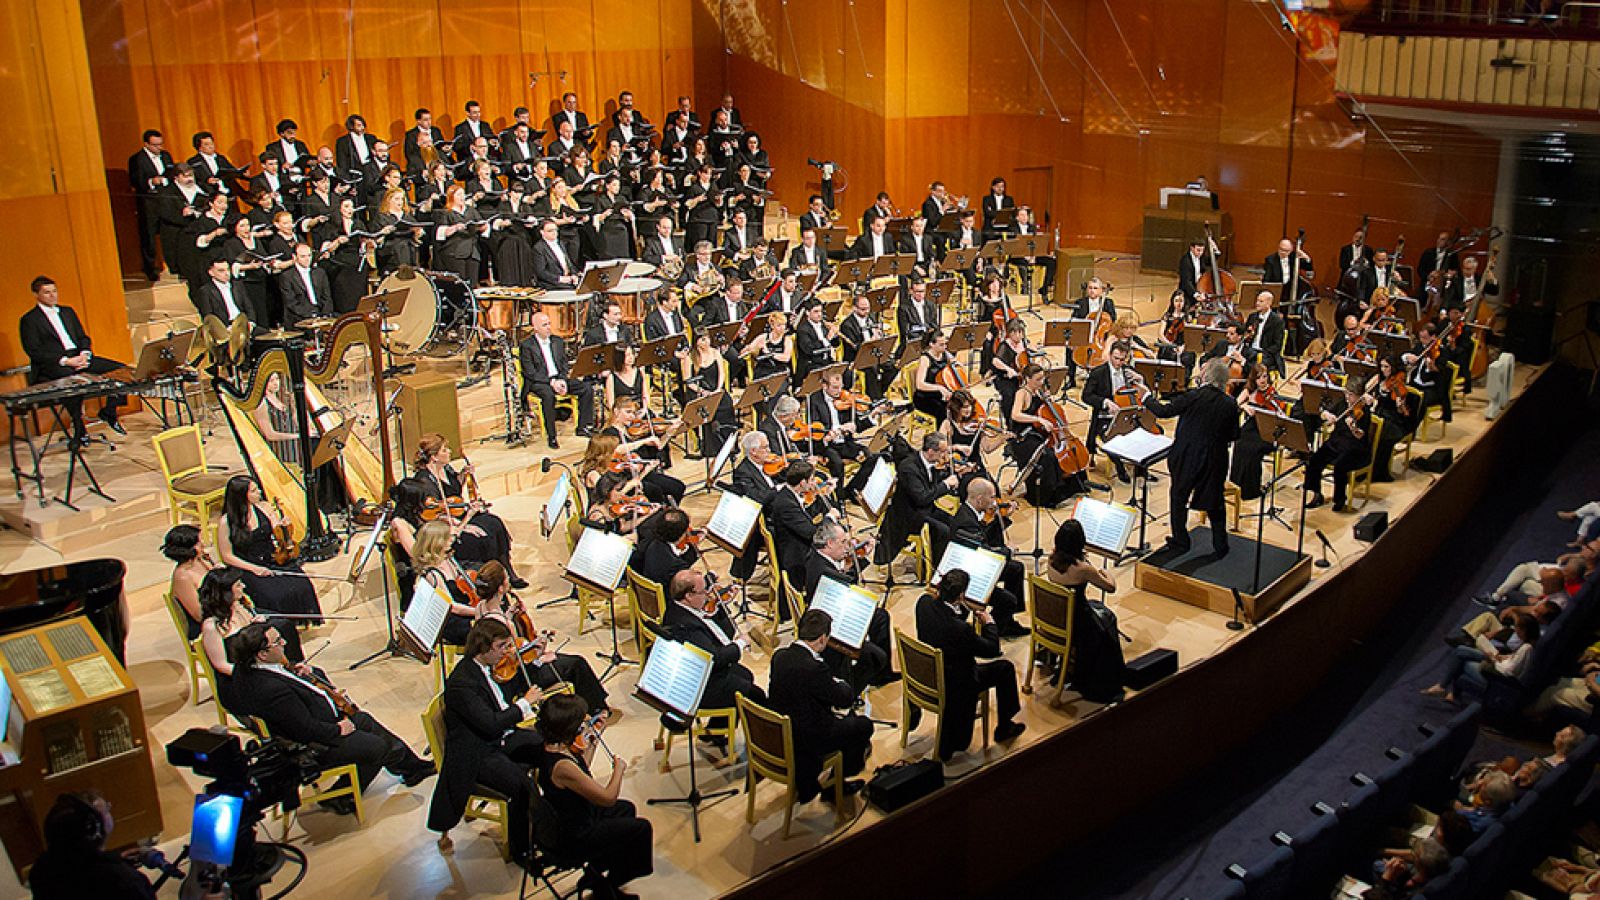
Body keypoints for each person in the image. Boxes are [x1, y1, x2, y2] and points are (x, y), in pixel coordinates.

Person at [229, 623, 434, 804]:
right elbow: (304, 729)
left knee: (364, 720)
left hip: (310, 724)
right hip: (309, 746)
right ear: (262, 654)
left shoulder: (246, 668)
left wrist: (305, 673)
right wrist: (338, 729)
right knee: (376, 747)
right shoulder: (271, 690)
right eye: (277, 642)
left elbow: (291, 698)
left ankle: (412, 768)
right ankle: (342, 798)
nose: (284, 643)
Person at [427, 618, 549, 869]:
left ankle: (553, 820)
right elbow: (490, 723)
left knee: (550, 749)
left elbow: (508, 691)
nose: (508, 651)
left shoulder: (486, 668)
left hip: (500, 737)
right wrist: (524, 704)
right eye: (502, 646)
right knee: (521, 786)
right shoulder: (462, 683)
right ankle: (522, 851)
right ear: (484, 648)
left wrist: (534, 661)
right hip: (478, 752)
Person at [536, 694, 653, 898]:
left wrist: (595, 736)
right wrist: (618, 771)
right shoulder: (562, 766)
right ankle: (610, 881)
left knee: (626, 809)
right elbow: (607, 798)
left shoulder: (553, 748)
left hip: (574, 815)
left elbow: (582, 770)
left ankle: (597, 871)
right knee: (641, 829)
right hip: (574, 836)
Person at [472, 561, 612, 717]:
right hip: (519, 679)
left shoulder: (480, 607)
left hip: (503, 673)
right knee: (577, 664)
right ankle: (597, 709)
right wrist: (540, 658)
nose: (509, 581)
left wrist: (510, 614)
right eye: (506, 579)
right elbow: (515, 659)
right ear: (501, 588)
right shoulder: (505, 625)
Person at [914, 571, 1025, 761]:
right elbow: (990, 649)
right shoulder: (960, 630)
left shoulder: (923, 603)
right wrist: (989, 624)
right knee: (1005, 668)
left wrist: (964, 607)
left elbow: (948, 616)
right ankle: (1005, 727)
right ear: (960, 595)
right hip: (957, 681)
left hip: (929, 671)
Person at [767, 608, 874, 802]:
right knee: (863, 726)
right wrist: (840, 682)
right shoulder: (814, 669)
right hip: (808, 738)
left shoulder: (780, 656)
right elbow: (843, 698)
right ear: (823, 638)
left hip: (781, 732)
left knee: (847, 720)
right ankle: (835, 785)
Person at [1142, 358, 1240, 557]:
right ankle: (1221, 545)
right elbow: (1234, 435)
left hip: (1188, 457)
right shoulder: (1230, 403)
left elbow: (1164, 411)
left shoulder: (1193, 396)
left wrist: (1146, 397)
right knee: (1215, 502)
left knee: (1179, 497)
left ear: (1206, 376)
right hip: (1215, 460)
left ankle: (1181, 540)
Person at [662, 570, 765, 753]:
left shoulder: (678, 609)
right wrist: (739, 644)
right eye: (703, 592)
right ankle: (766, 743)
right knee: (755, 695)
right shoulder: (686, 625)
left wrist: (719, 609)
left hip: (702, 673)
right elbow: (715, 658)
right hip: (699, 685)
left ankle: (717, 730)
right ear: (689, 595)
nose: (708, 595)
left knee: (745, 675)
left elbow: (719, 635)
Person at [20, 276, 129, 445]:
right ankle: (79, 429)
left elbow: (82, 337)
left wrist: (85, 354)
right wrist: (66, 361)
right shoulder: (29, 320)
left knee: (121, 371)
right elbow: (34, 351)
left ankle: (109, 411)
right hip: (55, 363)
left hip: (78, 356)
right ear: (36, 295)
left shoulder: (67, 312)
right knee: (72, 384)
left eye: (54, 291)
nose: (52, 296)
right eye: (47, 293)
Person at [412, 433, 524, 586]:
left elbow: (454, 490)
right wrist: (465, 524)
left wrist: (464, 475)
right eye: (444, 450)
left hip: (459, 512)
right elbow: (435, 514)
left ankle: (507, 570)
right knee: (481, 536)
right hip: (447, 526)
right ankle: (490, 578)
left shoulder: (446, 469)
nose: (449, 452)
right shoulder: (425, 480)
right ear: (434, 457)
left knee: (494, 522)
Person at [197, 566, 303, 715]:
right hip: (239, 680)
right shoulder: (211, 626)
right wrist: (261, 673)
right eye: (238, 585)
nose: (244, 586)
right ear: (226, 592)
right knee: (285, 694)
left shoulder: (239, 607)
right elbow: (221, 665)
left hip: (258, 668)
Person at [801, 519, 892, 690]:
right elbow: (848, 582)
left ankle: (883, 673)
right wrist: (862, 560)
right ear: (829, 543)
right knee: (876, 654)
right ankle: (855, 687)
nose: (847, 546)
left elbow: (841, 571)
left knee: (880, 617)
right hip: (835, 621)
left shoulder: (816, 555)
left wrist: (853, 559)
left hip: (826, 607)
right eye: (843, 542)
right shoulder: (825, 571)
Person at [214, 476, 323, 619]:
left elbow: (276, 532)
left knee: (301, 584)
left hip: (271, 558)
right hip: (246, 566)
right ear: (242, 495)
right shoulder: (226, 522)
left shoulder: (263, 508)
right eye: (253, 491)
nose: (259, 492)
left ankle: (295, 622)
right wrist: (255, 569)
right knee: (273, 595)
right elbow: (227, 556)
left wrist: (284, 525)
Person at [28, 791, 161, 900]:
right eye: (106, 811)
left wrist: (114, 858)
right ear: (94, 831)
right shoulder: (126, 881)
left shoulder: (41, 869)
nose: (110, 807)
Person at [949, 478, 1028, 637]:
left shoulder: (971, 512)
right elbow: (984, 551)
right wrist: (1007, 551)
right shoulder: (966, 522)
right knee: (1008, 600)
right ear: (979, 499)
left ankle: (1008, 621)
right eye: (992, 497)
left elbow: (983, 536)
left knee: (1016, 568)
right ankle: (994, 629)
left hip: (977, 562)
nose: (995, 501)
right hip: (972, 574)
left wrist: (1004, 519)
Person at [879, 432, 959, 573]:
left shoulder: (928, 462)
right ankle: (937, 570)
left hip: (925, 509)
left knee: (954, 521)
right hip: (909, 515)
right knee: (943, 531)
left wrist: (949, 477)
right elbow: (922, 497)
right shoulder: (909, 468)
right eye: (942, 452)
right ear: (930, 451)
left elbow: (930, 486)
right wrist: (946, 484)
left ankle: (945, 559)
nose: (945, 456)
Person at [520, 311, 596, 448]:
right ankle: (552, 436)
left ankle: (584, 426)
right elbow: (530, 373)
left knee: (586, 388)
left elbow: (564, 365)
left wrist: (561, 380)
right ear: (535, 328)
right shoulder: (527, 346)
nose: (548, 327)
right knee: (548, 396)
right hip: (540, 382)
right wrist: (551, 382)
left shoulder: (557, 341)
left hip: (558, 378)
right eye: (544, 325)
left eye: (549, 324)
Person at [1422, 616, 1539, 704]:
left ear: (1523, 630)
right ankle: (1448, 691)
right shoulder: (1528, 646)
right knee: (1461, 650)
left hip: (1496, 678)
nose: (1515, 629)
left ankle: (1446, 689)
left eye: (1517, 627)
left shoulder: (1526, 649)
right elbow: (1515, 661)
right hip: (1498, 666)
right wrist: (1503, 657)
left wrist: (1493, 660)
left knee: (1462, 660)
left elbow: (1509, 672)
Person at [410, 519, 484, 647]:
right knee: (491, 631)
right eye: (448, 537)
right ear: (436, 542)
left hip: (465, 609)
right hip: (453, 620)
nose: (452, 539)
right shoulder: (432, 575)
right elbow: (452, 606)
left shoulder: (447, 558)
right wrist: (479, 611)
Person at [1305, 381, 1374, 513]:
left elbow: (1360, 436)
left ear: (1359, 396)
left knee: (1340, 466)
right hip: (1336, 443)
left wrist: (1353, 429)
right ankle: (1316, 494)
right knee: (1314, 460)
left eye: (1351, 395)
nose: (1347, 397)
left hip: (1355, 448)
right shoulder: (1342, 403)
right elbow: (1324, 412)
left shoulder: (1364, 411)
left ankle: (1340, 499)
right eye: (1346, 393)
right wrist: (1327, 415)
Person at [163, 523, 212, 640]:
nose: (203, 545)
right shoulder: (182, 577)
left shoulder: (200, 560)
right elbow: (199, 615)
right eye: (199, 543)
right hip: (205, 627)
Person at [912, 328, 956, 424]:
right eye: (941, 345)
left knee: (958, 404)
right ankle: (942, 435)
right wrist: (939, 388)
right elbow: (919, 384)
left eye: (945, 344)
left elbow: (953, 364)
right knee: (943, 410)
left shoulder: (944, 354)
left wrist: (956, 365)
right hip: (924, 397)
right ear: (932, 344)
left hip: (941, 393)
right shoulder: (925, 359)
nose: (945, 347)